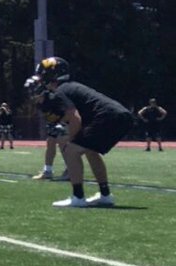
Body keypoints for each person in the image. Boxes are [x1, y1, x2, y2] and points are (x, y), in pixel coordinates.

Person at [35, 56, 133, 208]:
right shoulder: (70, 86)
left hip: (107, 117)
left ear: (51, 75)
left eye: (43, 74)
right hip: (122, 116)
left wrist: (71, 142)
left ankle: (78, 197)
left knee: (71, 151)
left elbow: (75, 118)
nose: (41, 78)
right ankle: (105, 194)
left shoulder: (61, 91)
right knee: (90, 151)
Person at [27, 76, 70, 181]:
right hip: (54, 122)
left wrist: (62, 124)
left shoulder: (53, 99)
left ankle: (71, 169)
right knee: (50, 143)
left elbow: (69, 112)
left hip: (66, 121)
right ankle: (48, 171)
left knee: (62, 142)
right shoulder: (39, 102)